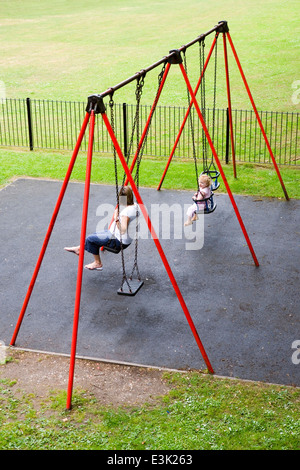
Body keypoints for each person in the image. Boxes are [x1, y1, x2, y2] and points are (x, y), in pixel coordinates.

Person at [64, 186, 138, 271]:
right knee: (95, 235)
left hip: (118, 241)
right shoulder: (135, 205)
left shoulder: (126, 213)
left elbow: (123, 230)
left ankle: (97, 263)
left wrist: (116, 218)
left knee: (90, 239)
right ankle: (79, 249)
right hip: (117, 236)